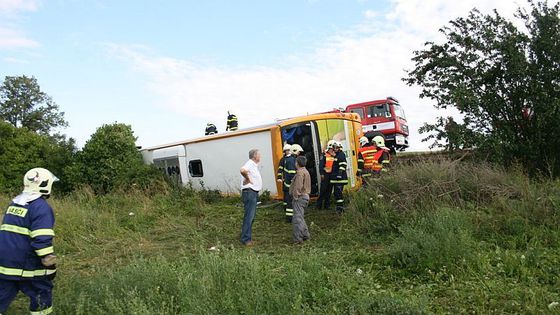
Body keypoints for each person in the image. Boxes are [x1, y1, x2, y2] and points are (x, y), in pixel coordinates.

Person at [0, 168, 59, 315]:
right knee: (42, 295)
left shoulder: (14, 203)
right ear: (45, 184)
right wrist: (50, 264)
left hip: (5, 264)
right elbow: (42, 239)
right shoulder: (41, 207)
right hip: (27, 265)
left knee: (2, 296)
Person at [240, 149, 262, 246]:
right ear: (254, 156)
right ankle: (246, 239)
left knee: (250, 216)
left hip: (252, 193)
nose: (260, 156)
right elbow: (242, 170)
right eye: (259, 155)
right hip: (250, 192)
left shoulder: (253, 165)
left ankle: (245, 235)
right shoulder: (250, 163)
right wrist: (248, 179)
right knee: (249, 216)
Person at [289, 156, 311, 244]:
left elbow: (298, 186)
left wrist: (295, 196)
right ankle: (306, 235)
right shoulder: (305, 171)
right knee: (300, 217)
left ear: (297, 163)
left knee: (297, 219)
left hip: (300, 197)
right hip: (305, 196)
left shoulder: (300, 173)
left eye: (295, 162)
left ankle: (298, 239)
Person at [277, 144, 294, 222]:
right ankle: (286, 210)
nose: (287, 152)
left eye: (288, 150)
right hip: (286, 182)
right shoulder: (283, 159)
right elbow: (280, 169)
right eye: (286, 151)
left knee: (288, 197)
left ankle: (288, 212)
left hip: (288, 181)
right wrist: (279, 177)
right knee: (286, 197)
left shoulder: (292, 158)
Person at [316, 140, 335, 210]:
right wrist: (321, 174)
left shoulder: (334, 155)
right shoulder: (324, 155)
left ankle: (327, 206)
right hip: (325, 175)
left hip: (331, 175)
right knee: (323, 191)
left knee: (329, 191)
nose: (332, 150)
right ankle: (319, 206)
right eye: (332, 148)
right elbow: (321, 165)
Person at [330, 141, 348, 214]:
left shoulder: (341, 155)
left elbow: (343, 165)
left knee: (338, 193)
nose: (334, 149)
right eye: (334, 147)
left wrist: (340, 174)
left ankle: (340, 208)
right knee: (336, 193)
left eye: (335, 147)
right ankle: (339, 207)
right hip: (336, 179)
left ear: (339, 147)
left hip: (340, 179)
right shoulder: (336, 155)